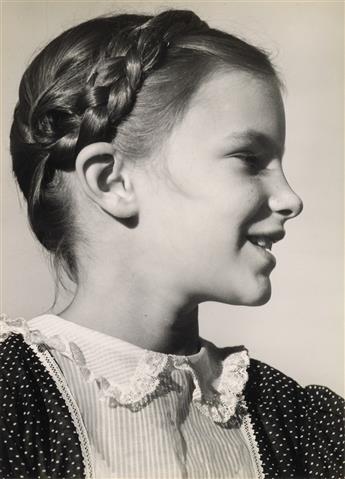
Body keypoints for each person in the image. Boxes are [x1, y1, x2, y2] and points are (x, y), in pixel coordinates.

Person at [0, 8, 343, 479]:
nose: (290, 198)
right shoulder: (13, 401)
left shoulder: (299, 425)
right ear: (112, 181)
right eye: (249, 158)